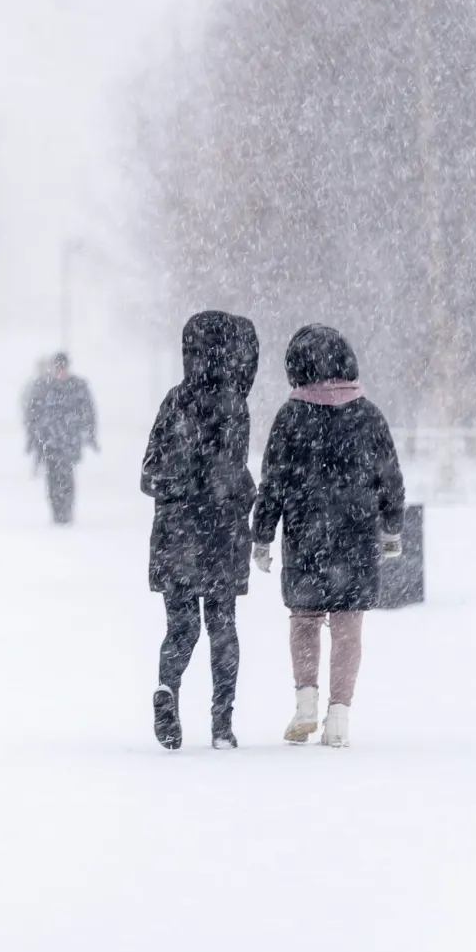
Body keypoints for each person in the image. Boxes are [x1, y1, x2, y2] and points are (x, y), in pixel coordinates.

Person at [250, 325, 406, 749]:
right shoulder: (368, 413)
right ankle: (339, 715)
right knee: (347, 625)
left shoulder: (291, 415)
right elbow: (390, 477)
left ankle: (305, 702)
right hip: (355, 533)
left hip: (305, 533)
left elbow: (273, 481)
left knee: (304, 619)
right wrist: (391, 527)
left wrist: (262, 535)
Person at [141, 311, 259, 750]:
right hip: (221, 532)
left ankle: (168, 687)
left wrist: (176, 489)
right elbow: (229, 471)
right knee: (223, 624)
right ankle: (222, 722)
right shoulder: (234, 404)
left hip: (175, 535)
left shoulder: (174, 400)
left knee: (181, 627)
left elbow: (148, 473)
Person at [23, 352, 98, 524]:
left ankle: (67, 509)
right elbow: (32, 414)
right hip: (49, 442)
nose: (60, 371)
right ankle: (57, 510)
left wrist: (90, 434)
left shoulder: (77, 386)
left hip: (68, 443)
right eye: (58, 368)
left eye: (63, 367)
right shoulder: (43, 387)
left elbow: (88, 411)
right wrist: (32, 438)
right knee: (52, 478)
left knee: (67, 477)